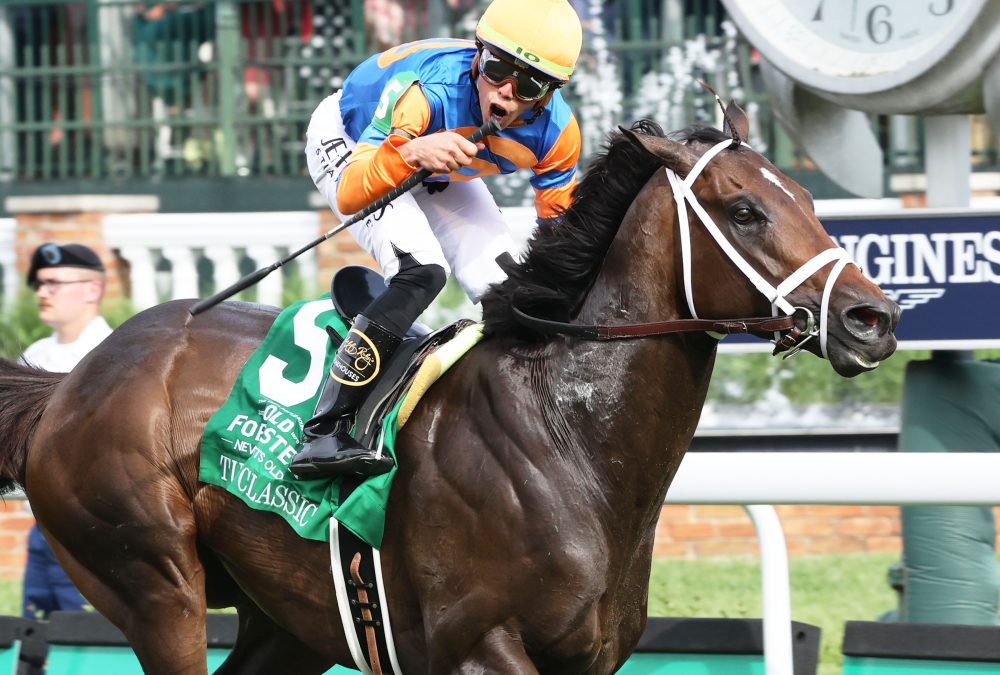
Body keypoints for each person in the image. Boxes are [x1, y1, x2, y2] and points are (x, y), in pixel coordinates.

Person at [294, 0, 584, 479]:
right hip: (356, 142)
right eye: (496, 69)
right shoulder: (425, 93)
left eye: (528, 84)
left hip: (441, 164)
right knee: (422, 270)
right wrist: (412, 152)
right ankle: (325, 431)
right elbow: (351, 192)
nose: (506, 94)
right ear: (478, 55)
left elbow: (560, 239)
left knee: (515, 292)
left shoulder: (558, 134)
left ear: (548, 93)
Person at [20, 243, 112, 619]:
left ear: (92, 289)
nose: (42, 293)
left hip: (90, 530)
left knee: (88, 640)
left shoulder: (113, 354)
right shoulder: (34, 356)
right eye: (40, 284)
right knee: (33, 638)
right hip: (41, 529)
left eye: (54, 283)